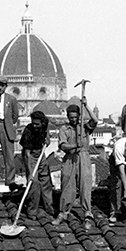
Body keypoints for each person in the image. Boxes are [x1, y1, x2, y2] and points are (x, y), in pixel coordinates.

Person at [52, 98, 98, 229]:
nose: (73, 119)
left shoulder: (84, 127)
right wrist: (73, 145)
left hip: (83, 157)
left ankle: (87, 215)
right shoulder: (64, 129)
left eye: (75, 117)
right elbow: (62, 145)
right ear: (67, 117)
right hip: (69, 158)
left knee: (85, 185)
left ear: (79, 116)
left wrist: (86, 106)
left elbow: (95, 120)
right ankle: (63, 213)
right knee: (67, 185)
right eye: (71, 117)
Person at [19, 110, 54, 219]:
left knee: (46, 180)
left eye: (37, 124)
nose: (34, 126)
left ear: (42, 122)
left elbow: (47, 133)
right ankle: (32, 211)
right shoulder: (28, 131)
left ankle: (49, 207)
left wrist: (47, 139)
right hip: (30, 155)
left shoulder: (45, 123)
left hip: (41, 153)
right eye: (33, 123)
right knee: (34, 183)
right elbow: (27, 155)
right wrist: (30, 173)